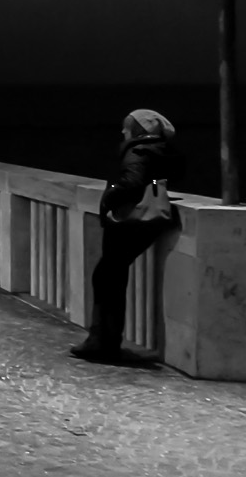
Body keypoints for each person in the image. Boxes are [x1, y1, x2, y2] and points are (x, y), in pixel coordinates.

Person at [71, 108, 181, 364]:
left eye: (127, 127)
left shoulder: (138, 151)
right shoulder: (160, 150)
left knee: (106, 276)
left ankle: (102, 343)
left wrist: (109, 197)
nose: (123, 131)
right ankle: (104, 341)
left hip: (128, 221)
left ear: (138, 130)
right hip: (148, 222)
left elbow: (131, 182)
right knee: (112, 275)